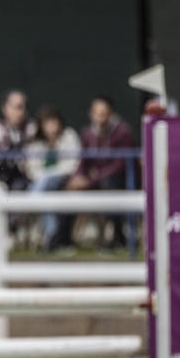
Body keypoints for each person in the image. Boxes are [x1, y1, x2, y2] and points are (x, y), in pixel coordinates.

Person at [54, 95, 137, 250]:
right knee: (65, 187)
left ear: (111, 113)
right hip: (95, 180)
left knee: (110, 187)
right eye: (96, 113)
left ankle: (119, 239)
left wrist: (91, 181)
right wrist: (78, 177)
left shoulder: (123, 133)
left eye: (103, 113)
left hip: (118, 180)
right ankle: (62, 240)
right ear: (91, 114)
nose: (100, 117)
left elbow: (119, 165)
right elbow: (83, 160)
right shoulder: (87, 133)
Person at [24, 105, 82, 251]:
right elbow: (32, 168)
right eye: (47, 123)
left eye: (54, 122)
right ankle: (51, 237)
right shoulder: (34, 139)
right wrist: (45, 176)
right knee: (44, 188)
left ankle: (49, 234)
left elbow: (71, 165)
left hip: (63, 180)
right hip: (40, 182)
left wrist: (50, 174)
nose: (52, 127)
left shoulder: (69, 136)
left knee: (43, 187)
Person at [0, 89, 36, 191]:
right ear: (5, 108)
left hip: (27, 180)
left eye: (23, 107)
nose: (20, 112)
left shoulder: (33, 128)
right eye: (16, 107)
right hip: (0, 179)